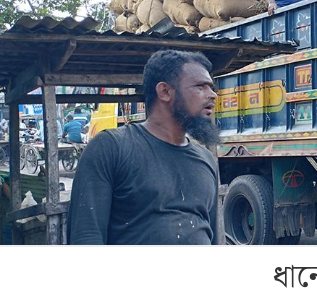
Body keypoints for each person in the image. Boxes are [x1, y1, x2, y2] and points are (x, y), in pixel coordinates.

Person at [67, 50, 221, 245]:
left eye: (211, 87)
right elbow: (86, 237)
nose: (213, 95)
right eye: (200, 86)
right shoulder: (111, 148)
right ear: (165, 91)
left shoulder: (206, 160)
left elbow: (213, 235)